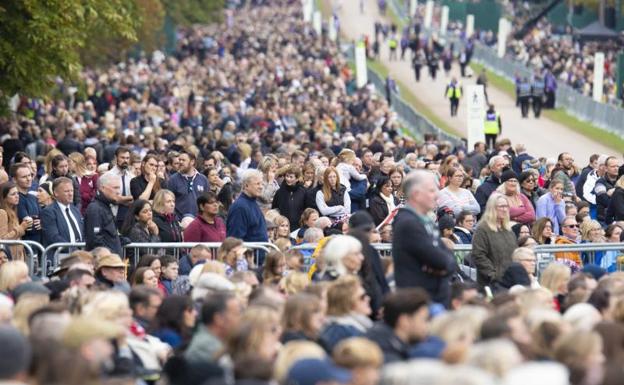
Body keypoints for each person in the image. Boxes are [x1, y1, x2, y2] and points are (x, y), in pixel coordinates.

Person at [392, 170, 456, 305]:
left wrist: (446, 263)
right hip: (419, 302)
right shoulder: (408, 223)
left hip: (434, 298)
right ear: (416, 195)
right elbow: (440, 260)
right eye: (432, 191)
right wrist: (444, 263)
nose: (437, 196)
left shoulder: (426, 221)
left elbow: (448, 261)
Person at [365, 288, 430, 363]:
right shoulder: (388, 359)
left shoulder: (389, 344)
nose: (427, 326)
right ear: (404, 321)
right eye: (424, 320)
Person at [471, 193, 517, 289]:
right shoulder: (482, 229)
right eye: (501, 206)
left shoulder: (508, 230)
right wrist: (493, 275)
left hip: (510, 281)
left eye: (506, 206)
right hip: (491, 284)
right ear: (492, 208)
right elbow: (478, 255)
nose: (504, 209)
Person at [318, 275, 373, 353]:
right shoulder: (340, 331)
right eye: (362, 297)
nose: (368, 299)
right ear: (347, 303)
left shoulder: (357, 324)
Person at [185, 291, 241, 364]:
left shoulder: (219, 341)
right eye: (236, 314)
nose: (241, 318)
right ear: (219, 319)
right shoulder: (206, 348)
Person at [84, 173, 122, 256]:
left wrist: (120, 240)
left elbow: (108, 236)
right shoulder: (95, 209)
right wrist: (110, 256)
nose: (118, 192)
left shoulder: (105, 206)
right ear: (102, 188)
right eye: (115, 188)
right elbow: (95, 240)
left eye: (119, 188)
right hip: (103, 263)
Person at [226, 169, 269, 243]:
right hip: (249, 253)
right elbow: (235, 239)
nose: (261, 187)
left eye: (262, 184)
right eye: (257, 184)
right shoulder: (240, 207)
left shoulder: (253, 203)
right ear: (246, 185)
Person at [40, 177, 84, 247]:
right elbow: (53, 237)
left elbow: (83, 231)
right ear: (56, 193)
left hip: (79, 252)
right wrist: (72, 248)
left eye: (71, 191)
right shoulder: (48, 212)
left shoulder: (75, 210)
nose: (70, 194)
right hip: (61, 253)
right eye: (66, 191)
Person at [165, 150, 209, 219]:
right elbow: (167, 202)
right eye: (179, 160)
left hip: (200, 222)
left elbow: (207, 202)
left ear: (192, 162)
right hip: (180, 222)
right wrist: (176, 221)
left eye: (183, 160)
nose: (180, 162)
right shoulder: (173, 179)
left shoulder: (203, 179)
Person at [103, 147, 135, 229]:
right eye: (122, 157)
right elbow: (114, 199)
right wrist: (129, 199)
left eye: (127, 158)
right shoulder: (108, 176)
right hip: (113, 216)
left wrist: (122, 199)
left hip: (129, 218)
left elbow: (135, 199)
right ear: (116, 158)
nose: (125, 160)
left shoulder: (132, 177)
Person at [11, 163, 41, 244]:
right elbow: (29, 226)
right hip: (25, 246)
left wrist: (42, 222)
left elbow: (42, 218)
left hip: (38, 246)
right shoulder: (16, 199)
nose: (29, 179)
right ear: (14, 179)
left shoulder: (33, 197)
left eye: (30, 175)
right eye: (24, 177)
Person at [0, 183, 30, 260]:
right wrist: (21, 227)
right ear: (4, 197)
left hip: (17, 258)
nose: (17, 196)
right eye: (13, 194)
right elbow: (2, 239)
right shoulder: (2, 212)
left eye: (17, 193)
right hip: (8, 259)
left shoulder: (13, 211)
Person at [271, 165, 306, 231]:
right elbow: (274, 208)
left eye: (291, 177)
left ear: (297, 179)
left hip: (298, 227)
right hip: (283, 226)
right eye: (287, 176)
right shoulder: (280, 192)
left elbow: (306, 209)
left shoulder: (303, 192)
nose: (288, 179)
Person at [594, 156, 620, 224]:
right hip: (604, 221)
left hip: (619, 220)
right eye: (613, 166)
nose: (616, 168)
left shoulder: (621, 182)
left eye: (617, 166)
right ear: (606, 168)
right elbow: (605, 201)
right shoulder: (599, 183)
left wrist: (614, 191)